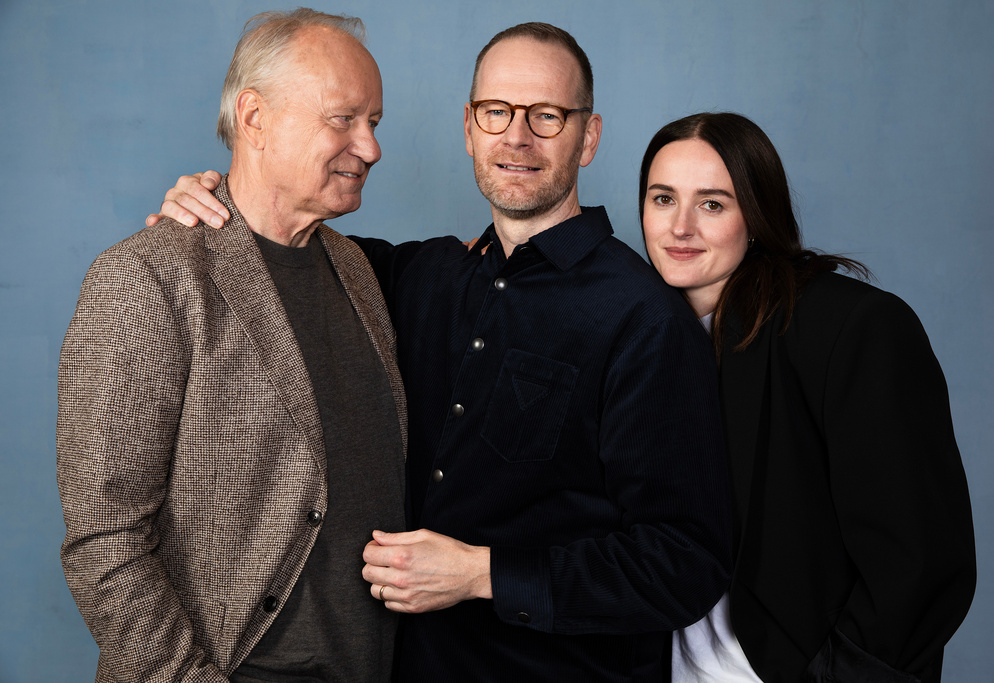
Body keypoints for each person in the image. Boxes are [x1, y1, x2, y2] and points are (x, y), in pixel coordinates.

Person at [148, 22, 734, 683]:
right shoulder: (411, 277)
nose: (517, 136)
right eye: (496, 112)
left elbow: (685, 561)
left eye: (547, 115)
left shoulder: (645, 318)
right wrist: (212, 200)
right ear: (469, 126)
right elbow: (284, 235)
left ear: (588, 136)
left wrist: (483, 574)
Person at [56, 10, 406, 682]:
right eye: (345, 118)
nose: (371, 147)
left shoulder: (360, 270)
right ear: (254, 118)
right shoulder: (148, 276)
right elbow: (105, 541)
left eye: (376, 123)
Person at [639, 112, 976, 683]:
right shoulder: (638, 333)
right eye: (663, 198)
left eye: (713, 203)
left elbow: (919, 564)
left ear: (757, 213)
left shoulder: (853, 327)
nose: (681, 227)